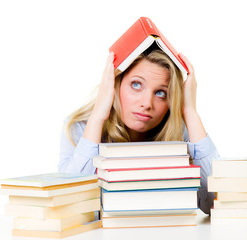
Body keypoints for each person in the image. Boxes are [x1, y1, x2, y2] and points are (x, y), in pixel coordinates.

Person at [58, 48, 219, 214]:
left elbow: (214, 203)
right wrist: (98, 115)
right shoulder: (80, 128)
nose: (147, 103)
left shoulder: (182, 133)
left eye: (160, 93)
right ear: (115, 84)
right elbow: (67, 205)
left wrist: (190, 111)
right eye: (136, 85)